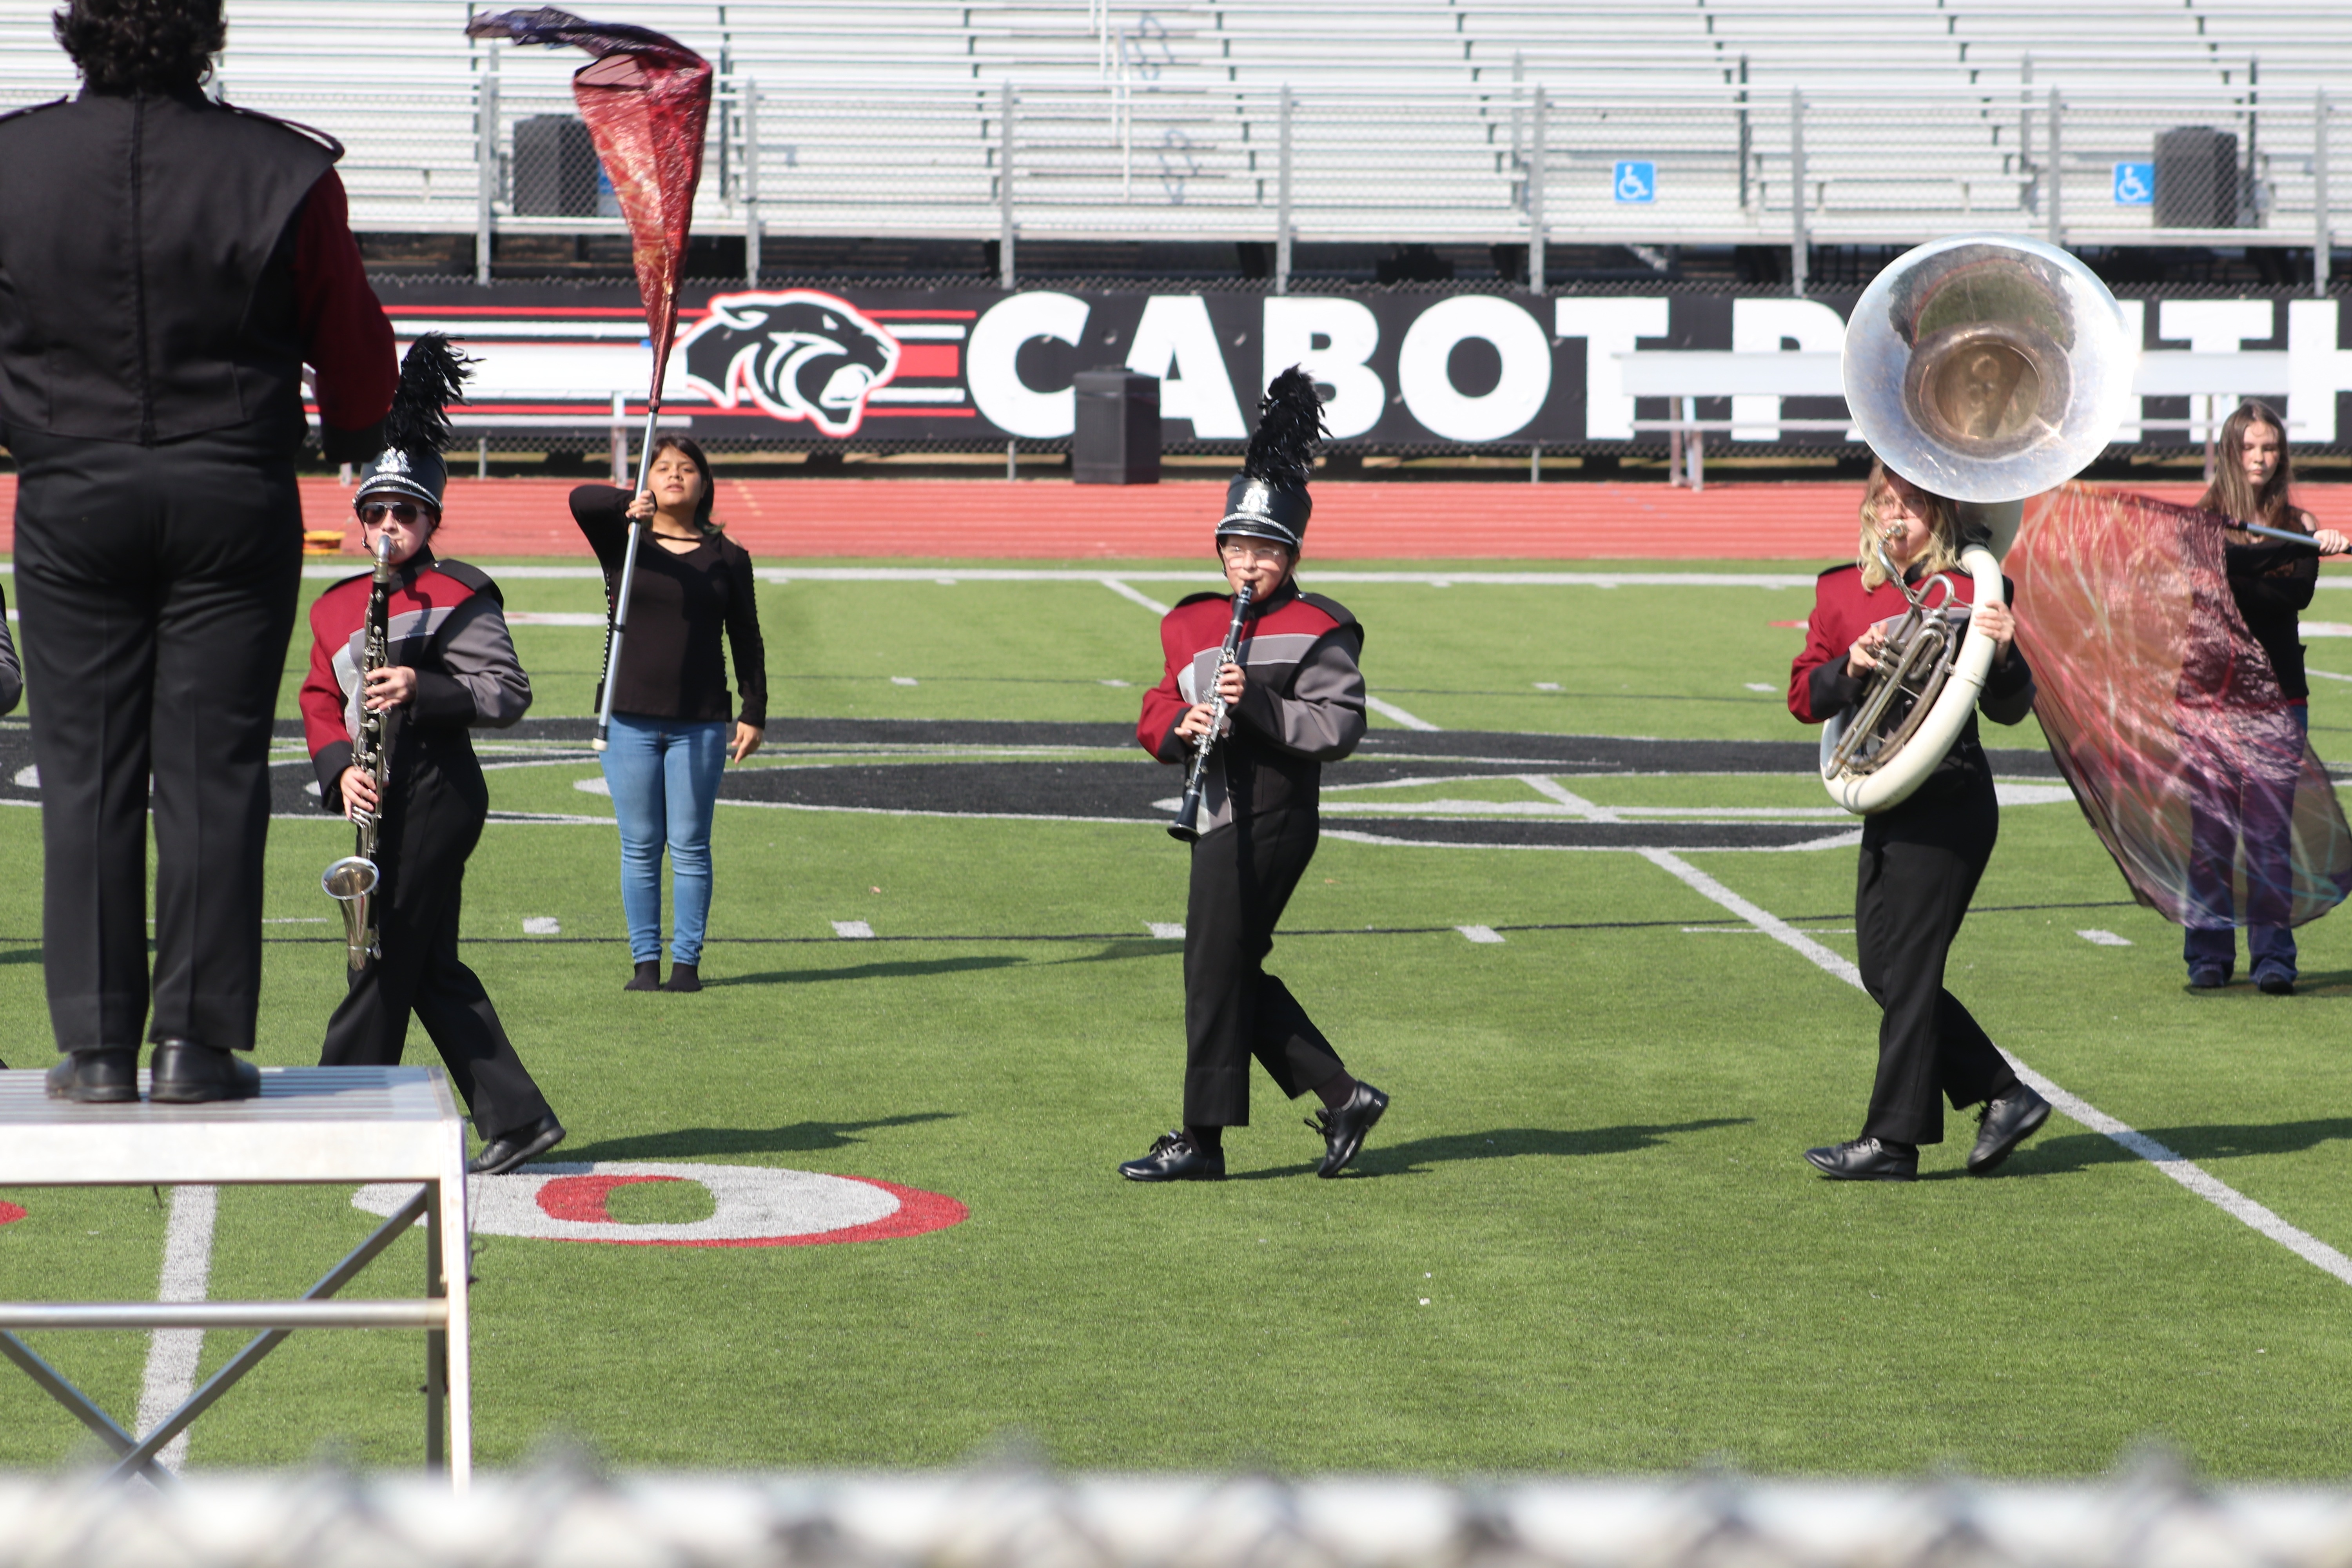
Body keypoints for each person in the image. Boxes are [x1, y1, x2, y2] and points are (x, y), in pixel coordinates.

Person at [0, 0, 396, 1105]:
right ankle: (196, 1046)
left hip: (70, 486)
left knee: (84, 774)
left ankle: (90, 1052)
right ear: (207, 36)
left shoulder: (12, 159)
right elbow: (353, 337)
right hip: (232, 484)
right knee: (211, 772)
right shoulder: (283, 166)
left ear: (76, 33)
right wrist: (358, 439)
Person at [303, 339, 566, 1176]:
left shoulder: (460, 593)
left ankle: (337, 1114)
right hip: (374, 792)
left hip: (442, 793)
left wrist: (425, 685)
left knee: (383, 950)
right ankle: (517, 1118)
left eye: (405, 514)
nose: (389, 527)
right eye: (376, 511)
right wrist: (339, 764)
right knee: (427, 964)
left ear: (431, 522)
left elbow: (508, 692)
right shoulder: (337, 605)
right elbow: (315, 700)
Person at [1121, 367, 1388, 1183]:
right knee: (1226, 969)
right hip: (1213, 812)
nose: (1247, 563)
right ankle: (1343, 1097)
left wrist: (1260, 708)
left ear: (1292, 553)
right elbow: (1156, 704)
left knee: (1214, 971)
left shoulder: (1319, 627)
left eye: (1265, 550)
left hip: (1273, 815)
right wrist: (1183, 724)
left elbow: (1338, 727)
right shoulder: (1194, 619)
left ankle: (1203, 1141)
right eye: (1235, 546)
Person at [1788, 461, 2049, 1181]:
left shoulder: (1976, 591)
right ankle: (2003, 1093)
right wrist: (1852, 664)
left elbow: (2011, 707)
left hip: (1951, 799)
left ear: (1939, 514)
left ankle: (1892, 1142)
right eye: (1885, 501)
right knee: (1886, 971)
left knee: (1909, 972)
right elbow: (1804, 696)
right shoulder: (1841, 592)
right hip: (1886, 798)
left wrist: (2002, 651)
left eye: (1912, 504)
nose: (1896, 515)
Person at [570, 437, 768, 993]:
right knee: (639, 844)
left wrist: (754, 710)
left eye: (687, 469)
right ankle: (644, 965)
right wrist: (624, 506)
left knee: (690, 844)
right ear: (647, 481)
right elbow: (581, 498)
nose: (675, 476)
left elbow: (746, 638)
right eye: (662, 469)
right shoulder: (624, 542)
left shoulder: (729, 556)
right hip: (627, 717)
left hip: (700, 721)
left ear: (705, 484)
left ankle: (686, 965)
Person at [2178, 401, 2350, 994]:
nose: (2260, 457)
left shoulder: (2298, 522)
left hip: (2279, 699)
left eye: (2269, 447)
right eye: (2249, 447)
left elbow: (2288, 601)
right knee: (2211, 834)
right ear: (2230, 452)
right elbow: (2211, 589)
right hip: (2208, 697)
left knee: (2270, 834)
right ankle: (2207, 955)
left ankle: (2275, 958)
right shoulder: (2201, 521)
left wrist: (2292, 550)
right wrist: (2290, 551)